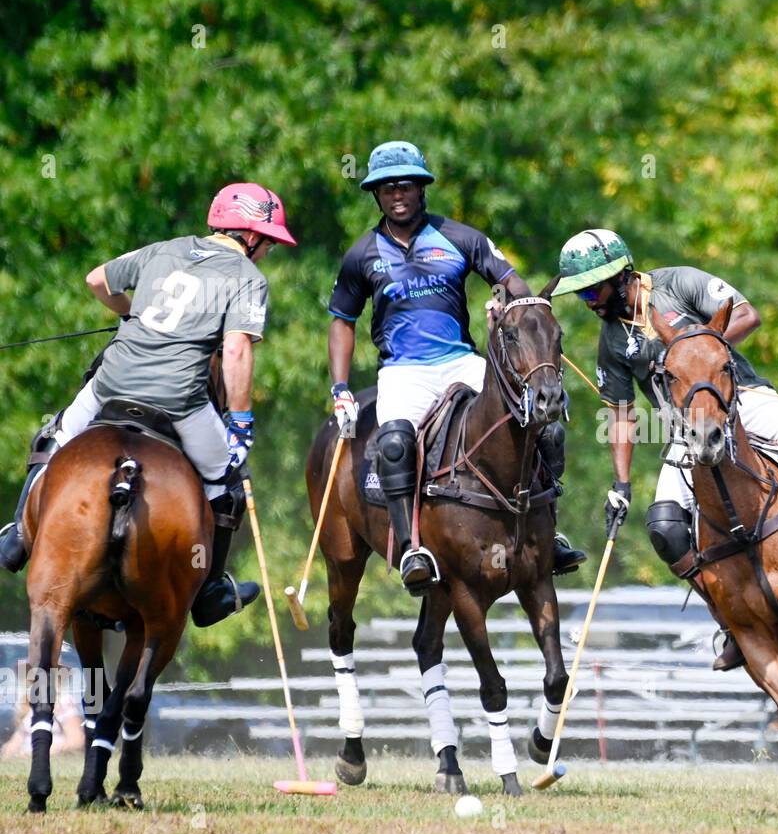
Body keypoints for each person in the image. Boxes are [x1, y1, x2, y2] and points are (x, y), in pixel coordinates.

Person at [550, 229, 778, 671]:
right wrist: (621, 486)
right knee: (665, 530)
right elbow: (622, 414)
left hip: (745, 400)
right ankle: (731, 621)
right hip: (687, 434)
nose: (588, 300)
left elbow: (747, 314)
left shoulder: (678, 283)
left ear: (620, 274)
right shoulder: (612, 340)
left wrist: (697, 349)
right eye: (580, 293)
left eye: (592, 288)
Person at [0, 183, 294, 626]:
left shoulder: (165, 249)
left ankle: (18, 537)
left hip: (110, 384)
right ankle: (210, 589)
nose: (268, 250)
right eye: (268, 241)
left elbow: (96, 280)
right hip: (178, 400)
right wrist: (242, 421)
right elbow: (234, 351)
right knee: (226, 479)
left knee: (54, 440)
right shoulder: (249, 279)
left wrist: (129, 315)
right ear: (250, 237)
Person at [326, 141, 584, 595]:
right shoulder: (361, 254)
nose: (397, 194)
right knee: (393, 442)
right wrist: (342, 388)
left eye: (406, 185)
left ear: (422, 188)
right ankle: (412, 549)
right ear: (376, 195)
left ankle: (548, 529)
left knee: (542, 425)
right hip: (403, 371)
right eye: (387, 188)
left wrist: (506, 307)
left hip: (461, 362)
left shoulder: (461, 238)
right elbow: (342, 321)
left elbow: (513, 284)